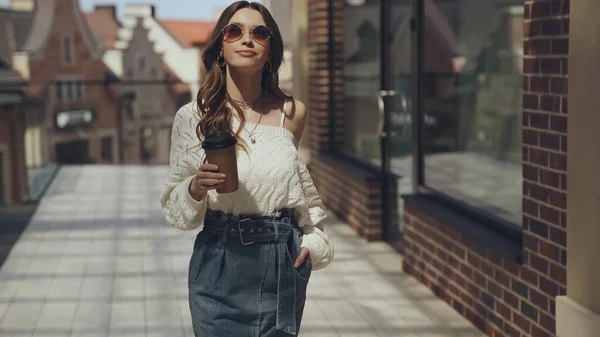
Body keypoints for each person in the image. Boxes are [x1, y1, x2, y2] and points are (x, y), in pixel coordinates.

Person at [159, 1, 335, 336]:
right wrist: (196, 187)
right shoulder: (193, 117)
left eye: (259, 32)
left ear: (270, 51)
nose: (247, 39)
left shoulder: (292, 113)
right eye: (234, 30)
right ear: (221, 48)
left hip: (281, 267)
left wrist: (313, 242)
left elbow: (299, 186)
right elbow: (175, 208)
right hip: (219, 265)